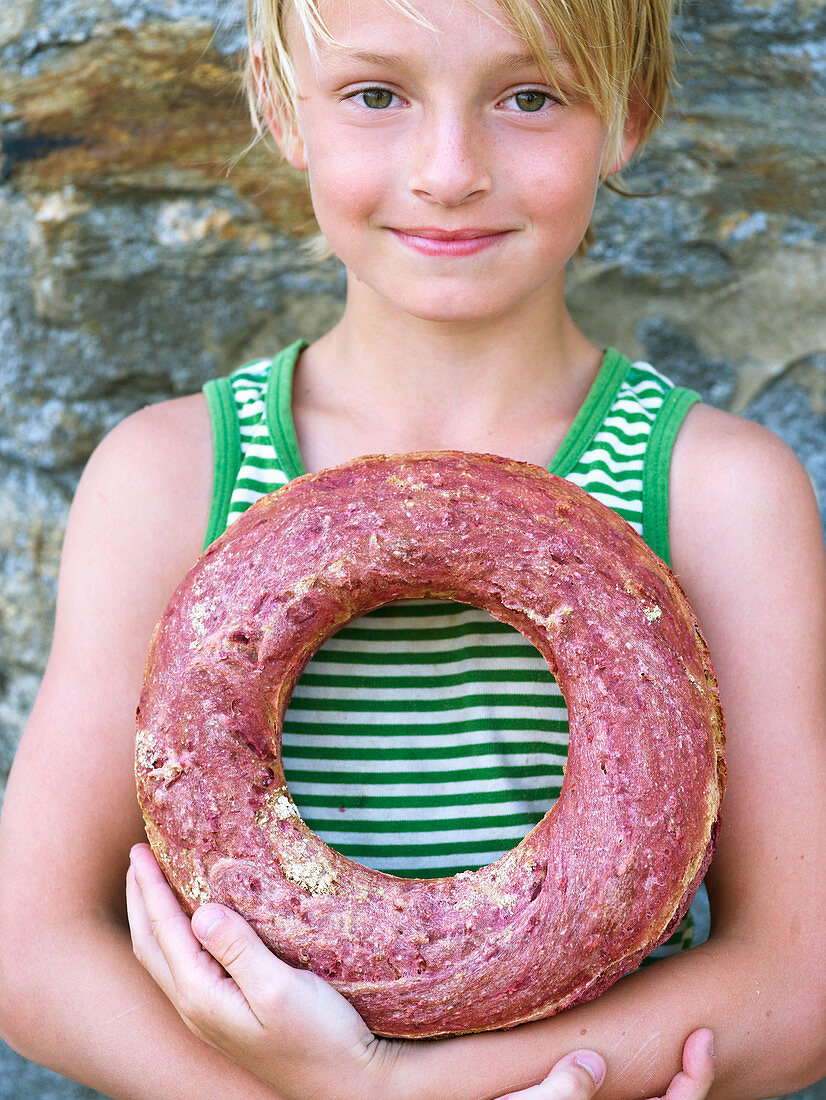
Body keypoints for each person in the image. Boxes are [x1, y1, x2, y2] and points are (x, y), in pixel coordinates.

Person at [0, 0, 823, 1096]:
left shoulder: (714, 496)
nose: (449, 170)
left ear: (627, 117)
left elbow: (798, 979)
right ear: (279, 107)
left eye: (529, 97)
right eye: (375, 94)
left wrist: (390, 1089)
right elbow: (33, 943)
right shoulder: (174, 475)